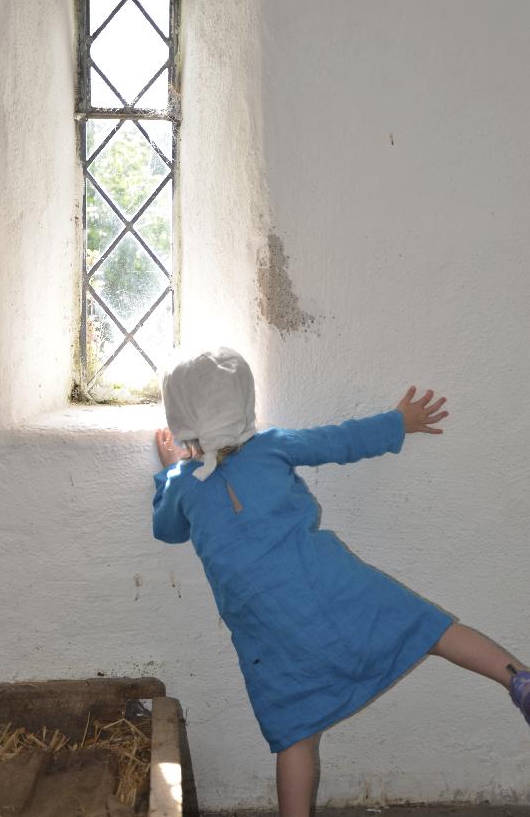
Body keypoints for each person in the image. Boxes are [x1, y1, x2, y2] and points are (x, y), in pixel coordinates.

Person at [152, 347, 530, 817]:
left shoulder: (183, 485)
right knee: (430, 628)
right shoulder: (270, 446)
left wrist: (170, 465)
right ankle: (519, 680)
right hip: (331, 586)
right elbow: (338, 441)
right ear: (242, 404)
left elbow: (167, 529)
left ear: (180, 415)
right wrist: (399, 421)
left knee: (294, 734)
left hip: (268, 631)